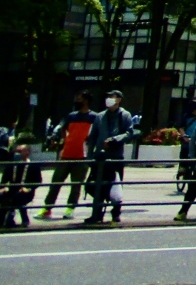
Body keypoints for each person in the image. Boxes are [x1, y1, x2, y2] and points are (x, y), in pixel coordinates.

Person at [38, 91, 95, 220]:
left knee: (76, 185)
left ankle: (70, 208)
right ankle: (47, 208)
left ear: (86, 100)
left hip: (82, 157)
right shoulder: (71, 116)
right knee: (56, 182)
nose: (77, 100)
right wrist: (65, 140)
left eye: (79, 98)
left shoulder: (94, 117)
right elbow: (63, 128)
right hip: (66, 154)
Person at [85, 89, 137, 224]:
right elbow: (92, 136)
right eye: (108, 97)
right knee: (94, 185)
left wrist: (115, 139)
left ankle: (116, 213)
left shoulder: (125, 115)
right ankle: (97, 213)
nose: (108, 99)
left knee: (116, 186)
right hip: (100, 157)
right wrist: (90, 156)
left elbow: (129, 133)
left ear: (119, 100)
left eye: (112, 97)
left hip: (116, 157)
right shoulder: (100, 116)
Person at [0, 145, 42, 227]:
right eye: (17, 151)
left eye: (20, 151)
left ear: (28, 153)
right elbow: (4, 181)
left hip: (26, 191)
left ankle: (23, 219)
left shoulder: (33, 166)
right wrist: (3, 188)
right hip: (11, 190)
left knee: (18, 198)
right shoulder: (11, 165)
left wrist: (29, 188)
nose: (18, 154)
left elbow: (38, 181)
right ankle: (3, 220)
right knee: (3, 197)